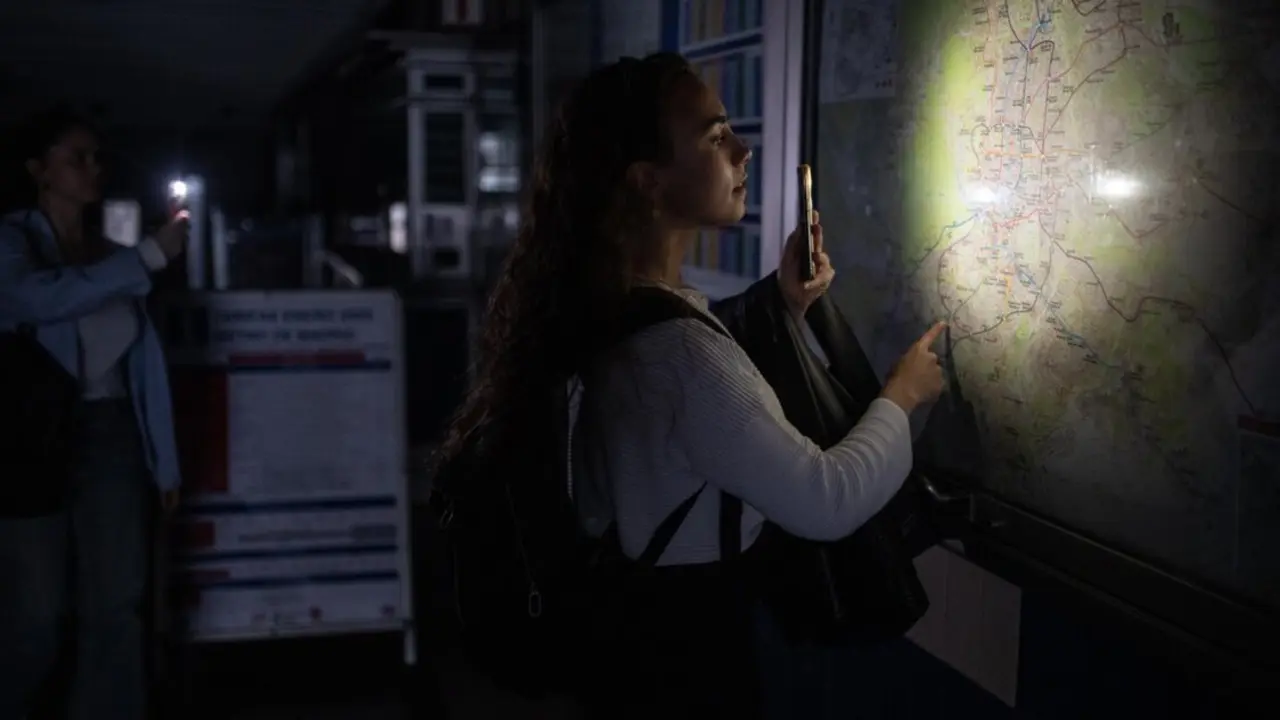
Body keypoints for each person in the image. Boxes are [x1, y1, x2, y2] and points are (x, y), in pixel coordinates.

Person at [436, 53, 945, 717]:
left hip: (633, 658)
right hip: (692, 668)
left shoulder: (611, 312)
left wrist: (785, 306)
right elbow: (827, 498)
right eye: (714, 137)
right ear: (648, 181)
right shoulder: (677, 355)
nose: (744, 150)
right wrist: (902, 396)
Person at [0, 107, 189, 720]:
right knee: (37, 614)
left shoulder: (110, 253)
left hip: (110, 435)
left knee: (117, 602)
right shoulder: (13, 242)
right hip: (32, 441)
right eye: (76, 157)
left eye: (97, 157)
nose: (93, 168)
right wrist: (147, 259)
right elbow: (36, 300)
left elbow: (142, 367)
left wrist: (163, 461)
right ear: (40, 171)